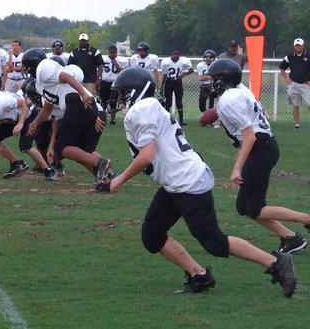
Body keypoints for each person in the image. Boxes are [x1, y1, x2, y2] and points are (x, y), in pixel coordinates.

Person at [106, 67, 297, 298]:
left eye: (124, 93)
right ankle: (198, 275)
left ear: (136, 91)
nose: (120, 98)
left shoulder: (141, 110)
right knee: (152, 234)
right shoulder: (150, 106)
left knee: (215, 242)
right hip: (177, 181)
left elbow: (146, 156)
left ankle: (277, 262)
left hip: (187, 182)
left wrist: (120, 179)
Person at [210, 58, 310, 253]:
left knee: (255, 208)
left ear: (224, 80)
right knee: (244, 207)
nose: (211, 82)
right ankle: (291, 238)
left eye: (215, 78)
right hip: (264, 146)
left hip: (260, 149)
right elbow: (264, 116)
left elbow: (250, 137)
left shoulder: (229, 99)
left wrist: (237, 168)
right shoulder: (240, 90)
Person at [24, 49, 111, 189]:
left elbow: (67, 77)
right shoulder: (41, 84)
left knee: (60, 148)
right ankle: (108, 180)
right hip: (82, 107)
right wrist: (35, 122)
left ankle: (100, 163)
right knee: (80, 151)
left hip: (78, 104)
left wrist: (84, 95)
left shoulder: (43, 68)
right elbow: (47, 108)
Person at [0, 90, 55, 180]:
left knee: (25, 146)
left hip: (30, 115)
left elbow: (26, 103)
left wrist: (20, 124)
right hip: (14, 119)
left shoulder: (0, 101)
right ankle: (17, 163)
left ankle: (48, 170)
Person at [279, 38, 310, 131]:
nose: (297, 47)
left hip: (306, 85)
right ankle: (297, 124)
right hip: (293, 84)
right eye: (296, 45)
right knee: (295, 105)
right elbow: (282, 68)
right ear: (294, 46)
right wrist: (286, 78)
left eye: (299, 45)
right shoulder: (289, 57)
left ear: (303, 46)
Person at [159, 48, 193, 126]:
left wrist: (183, 75)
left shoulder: (182, 61)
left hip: (178, 82)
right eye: (175, 54)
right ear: (172, 54)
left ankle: (181, 121)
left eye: (178, 54)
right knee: (168, 102)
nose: (176, 55)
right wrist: (162, 87)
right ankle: (167, 121)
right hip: (169, 82)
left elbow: (191, 70)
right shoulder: (166, 62)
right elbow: (164, 75)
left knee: (179, 102)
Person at [100, 45, 128, 126]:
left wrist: (116, 65)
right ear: (108, 52)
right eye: (111, 52)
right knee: (104, 102)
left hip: (114, 83)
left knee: (113, 102)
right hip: (104, 82)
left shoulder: (120, 60)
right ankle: (102, 119)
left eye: (114, 52)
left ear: (117, 53)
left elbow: (122, 72)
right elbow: (100, 70)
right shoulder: (104, 59)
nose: (113, 54)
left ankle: (112, 120)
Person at [196, 49, 217, 126]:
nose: (208, 59)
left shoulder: (215, 64)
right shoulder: (200, 65)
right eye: (207, 57)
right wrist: (210, 77)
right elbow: (201, 78)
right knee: (201, 104)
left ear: (213, 58)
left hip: (213, 85)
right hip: (204, 86)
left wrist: (207, 77)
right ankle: (205, 115)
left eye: (210, 57)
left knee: (211, 104)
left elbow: (215, 77)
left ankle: (210, 121)